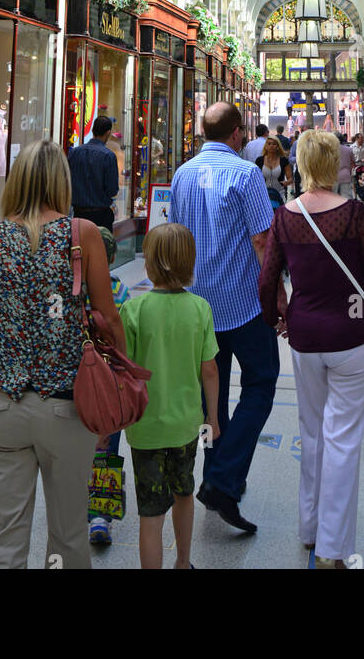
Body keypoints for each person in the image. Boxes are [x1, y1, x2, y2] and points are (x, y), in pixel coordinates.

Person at [0, 140, 125, 570]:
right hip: (66, 408)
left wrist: (14, 351)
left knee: (1, 536)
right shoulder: (83, 236)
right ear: (61, 182)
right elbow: (108, 320)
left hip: (0, 405)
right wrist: (116, 383)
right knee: (69, 536)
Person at [258, 130, 364, 569]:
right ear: (335, 164)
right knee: (344, 440)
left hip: (305, 336)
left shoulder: (285, 217)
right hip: (352, 337)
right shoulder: (354, 214)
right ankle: (332, 549)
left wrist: (275, 318)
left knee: (312, 431)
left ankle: (309, 527)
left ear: (298, 164)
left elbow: (268, 279)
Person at [169, 102, 279, 533]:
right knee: (262, 382)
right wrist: (278, 296)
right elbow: (262, 241)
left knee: (208, 400)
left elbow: (174, 238)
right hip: (245, 305)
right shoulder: (246, 174)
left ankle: (220, 476)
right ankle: (222, 477)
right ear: (237, 134)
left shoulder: (181, 175)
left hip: (196, 305)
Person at [120, 224, 220, 570]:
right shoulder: (200, 309)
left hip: (145, 429)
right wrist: (213, 420)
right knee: (184, 494)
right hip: (185, 426)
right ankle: (182, 562)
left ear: (148, 263)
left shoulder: (134, 311)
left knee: (150, 513)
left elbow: (126, 374)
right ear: (190, 262)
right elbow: (209, 371)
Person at [88, 226, 131, 548]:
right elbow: (124, 336)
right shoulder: (120, 292)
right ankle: (100, 515)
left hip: (73, 382)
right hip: (108, 385)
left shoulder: (72, 291)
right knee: (107, 449)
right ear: (114, 258)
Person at [67, 115, 119, 232]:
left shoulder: (74, 153)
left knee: (79, 248)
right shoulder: (108, 156)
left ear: (92, 130)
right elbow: (112, 190)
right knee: (101, 248)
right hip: (100, 217)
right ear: (108, 133)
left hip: (78, 215)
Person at [255, 136, 294, 210]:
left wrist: (286, 182)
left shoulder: (283, 160)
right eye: (269, 144)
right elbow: (255, 178)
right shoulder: (259, 160)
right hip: (263, 194)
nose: (271, 146)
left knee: (278, 217)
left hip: (280, 194)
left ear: (278, 147)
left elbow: (290, 179)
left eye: (274, 144)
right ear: (265, 146)